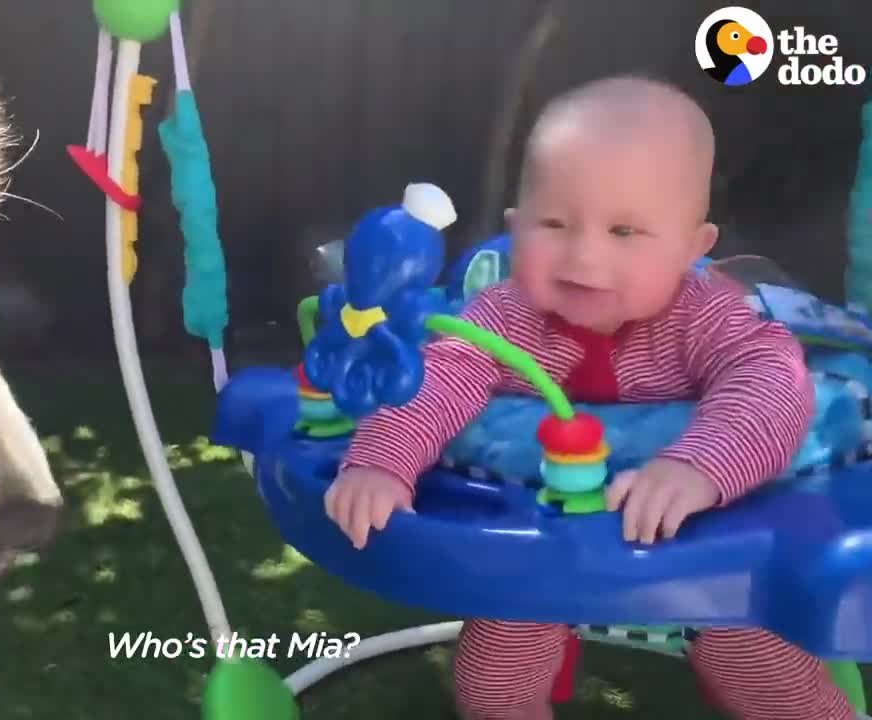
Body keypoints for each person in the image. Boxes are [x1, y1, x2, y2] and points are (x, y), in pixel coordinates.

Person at [324, 75, 848, 720]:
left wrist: (700, 464)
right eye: (554, 223)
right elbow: (438, 379)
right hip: (537, 542)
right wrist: (382, 460)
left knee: (765, 667)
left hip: (707, 540)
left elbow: (771, 381)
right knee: (494, 680)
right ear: (517, 230)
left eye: (625, 231)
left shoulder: (705, 316)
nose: (584, 255)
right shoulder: (505, 315)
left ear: (693, 248)